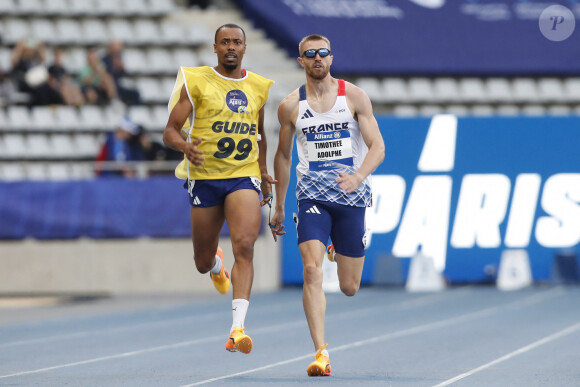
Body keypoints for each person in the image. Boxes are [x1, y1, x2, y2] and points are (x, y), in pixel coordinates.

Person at [269, 34, 385, 376]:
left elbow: (377, 147)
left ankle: (337, 244)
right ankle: (321, 353)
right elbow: (283, 156)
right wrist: (278, 206)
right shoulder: (291, 106)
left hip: (351, 196)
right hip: (312, 197)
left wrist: (358, 176)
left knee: (349, 287)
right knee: (311, 270)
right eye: (310, 54)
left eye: (323, 53)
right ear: (301, 61)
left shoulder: (354, 97)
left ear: (331, 58)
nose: (317, 58)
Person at [162, 23, 276, 354]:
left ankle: (237, 328)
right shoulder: (196, 81)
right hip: (205, 178)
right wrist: (185, 147)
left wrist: (263, 172)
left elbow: (260, 134)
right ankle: (215, 265)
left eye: (236, 42)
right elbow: (169, 130)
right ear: (215, 48)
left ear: (244, 47)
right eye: (224, 42)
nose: (230, 46)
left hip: (243, 176)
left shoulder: (258, 86)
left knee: (245, 244)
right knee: (201, 260)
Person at [101, 41, 141, 106]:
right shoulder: (104, 60)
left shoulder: (118, 60)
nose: (117, 52)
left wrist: (121, 69)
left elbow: (123, 75)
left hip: (118, 85)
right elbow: (105, 73)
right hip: (109, 86)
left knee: (135, 93)